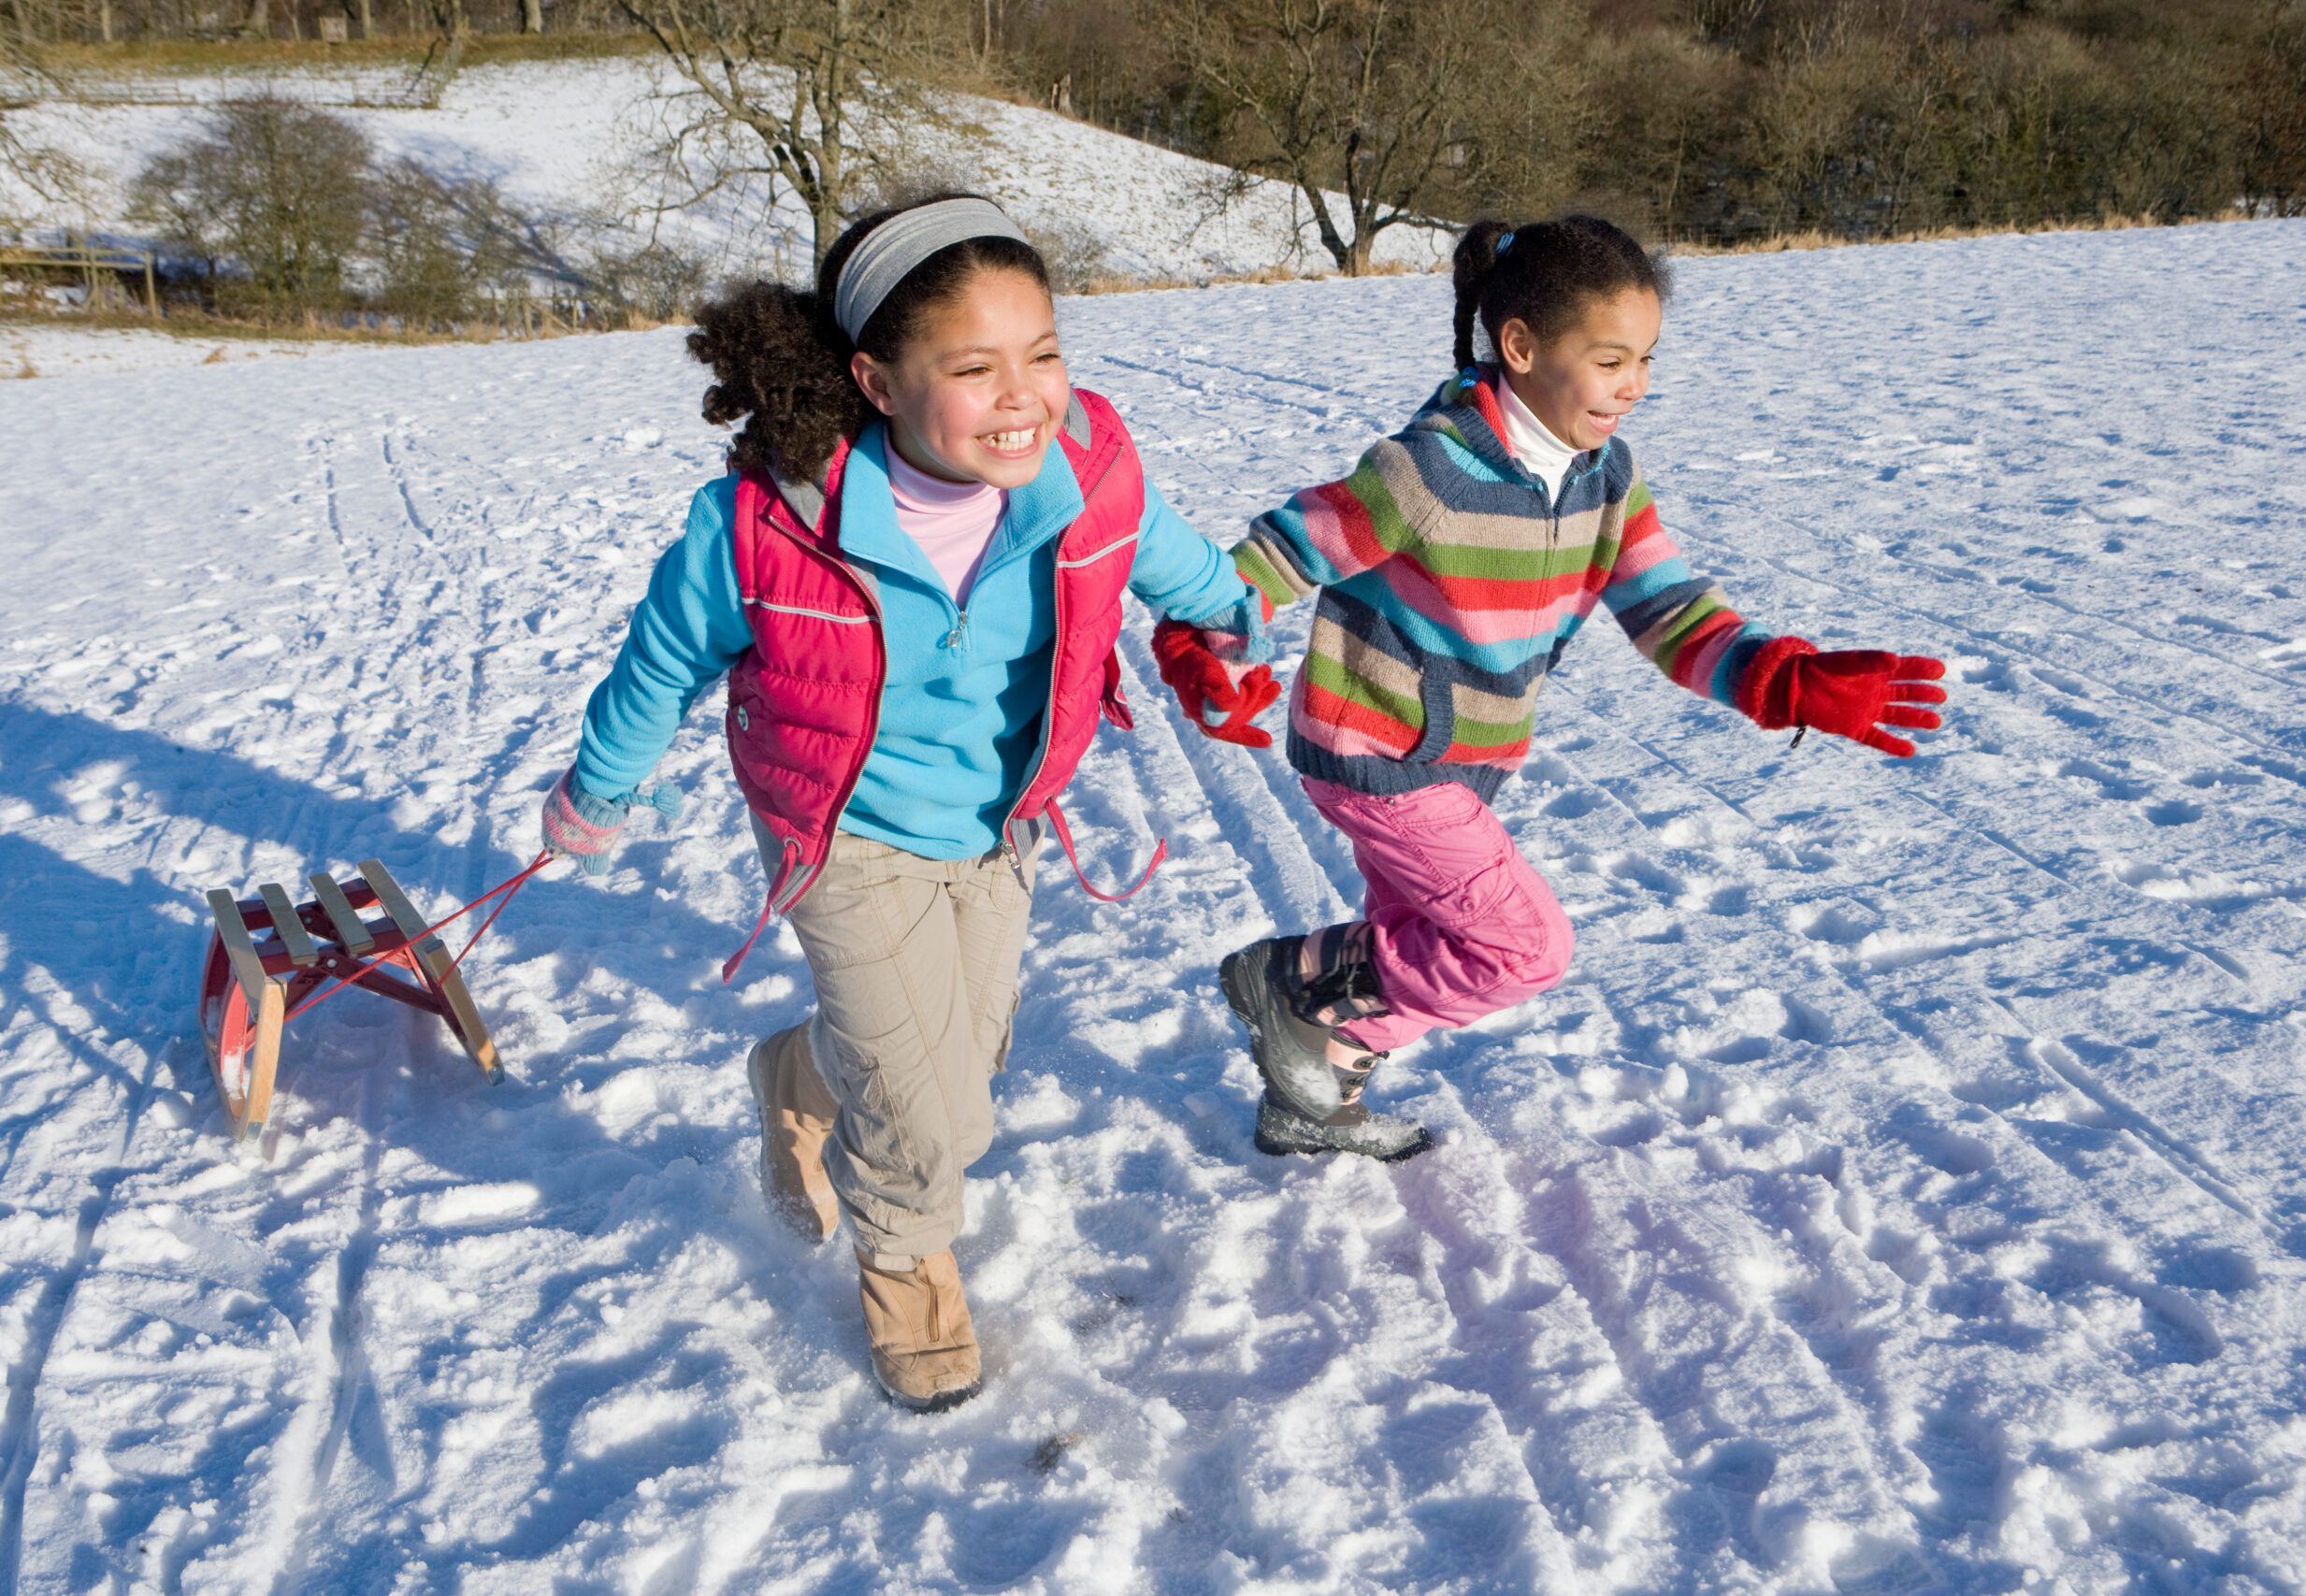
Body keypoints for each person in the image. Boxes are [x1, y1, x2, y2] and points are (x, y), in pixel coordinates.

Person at [538, 194, 1268, 1413]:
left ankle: (795, 1076)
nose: (1026, 394)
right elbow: (661, 660)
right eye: (974, 369)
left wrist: (1224, 614)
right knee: (925, 1104)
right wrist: (598, 790)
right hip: (843, 829)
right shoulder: (768, 523)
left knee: (961, 1057)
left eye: (1042, 354)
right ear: (877, 379)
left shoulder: (1086, 467)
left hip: (999, 821)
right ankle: (905, 1260)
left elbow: (1167, 550)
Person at [1149, 215, 1949, 1161]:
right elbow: (1286, 549)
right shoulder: (1428, 469)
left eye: (1644, 358)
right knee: (1519, 948)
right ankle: (1292, 985)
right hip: (1376, 749)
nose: (1634, 384)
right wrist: (1205, 638)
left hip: (1467, 759)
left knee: (1422, 935)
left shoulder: (1605, 477)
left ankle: (1311, 1092)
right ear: (1522, 347)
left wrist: (1784, 681)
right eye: (1610, 359)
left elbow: (1673, 614)